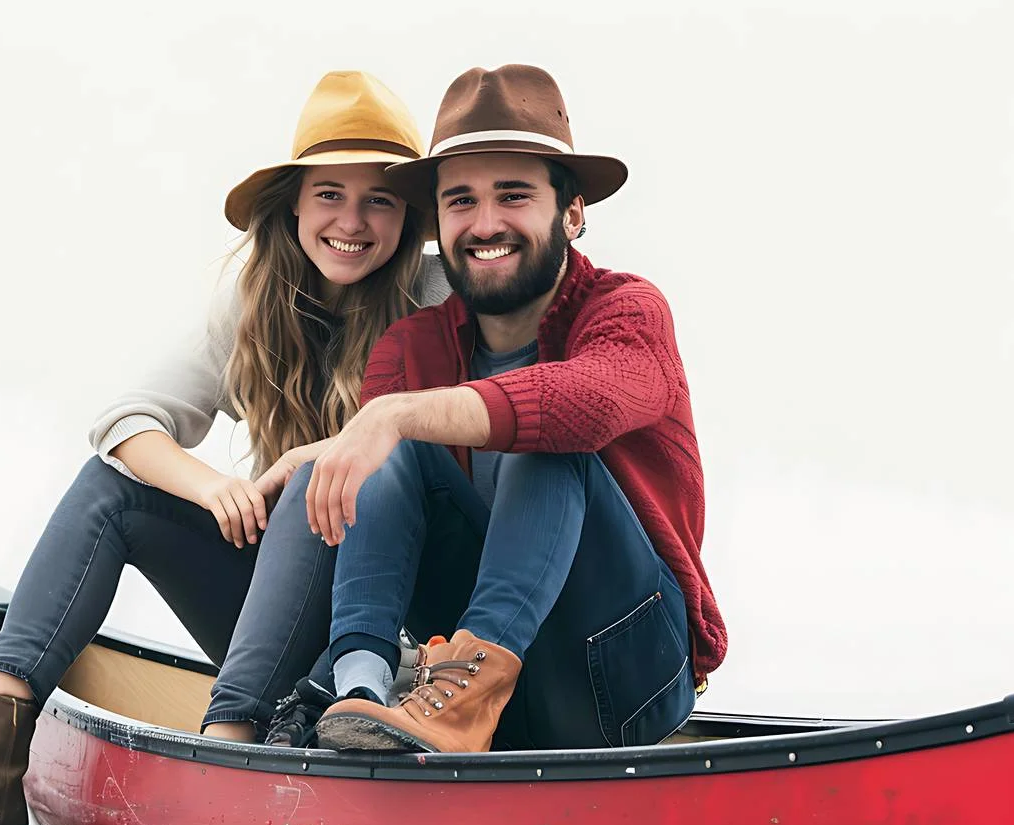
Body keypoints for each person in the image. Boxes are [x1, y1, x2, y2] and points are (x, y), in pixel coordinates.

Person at [0, 71, 453, 825]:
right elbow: (124, 421)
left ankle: (228, 741)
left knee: (317, 484)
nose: (351, 221)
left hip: (392, 641)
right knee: (113, 490)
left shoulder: (437, 300)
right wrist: (215, 485)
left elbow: (467, 438)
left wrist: (311, 458)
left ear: (410, 216)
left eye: (378, 199)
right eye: (329, 194)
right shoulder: (255, 305)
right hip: (282, 612)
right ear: (292, 204)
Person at [295, 65, 729, 755]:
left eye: (514, 194)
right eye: (461, 199)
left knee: (545, 433)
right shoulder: (411, 347)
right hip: (473, 694)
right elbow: (377, 510)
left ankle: (466, 698)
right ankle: (360, 690)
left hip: (623, 679)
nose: (486, 222)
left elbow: (580, 404)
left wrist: (393, 416)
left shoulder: (628, 311)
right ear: (438, 221)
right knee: (387, 458)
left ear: (573, 212)